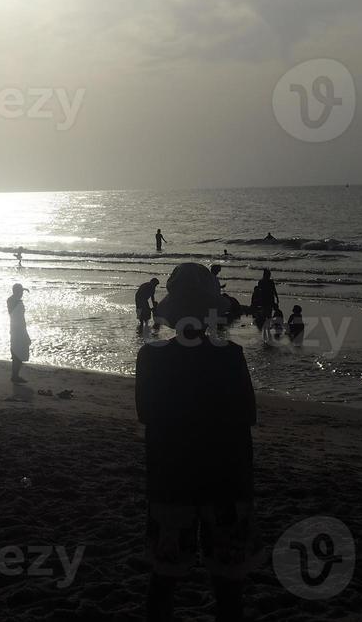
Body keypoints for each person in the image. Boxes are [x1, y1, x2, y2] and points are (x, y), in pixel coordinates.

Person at [136, 263, 255, 622]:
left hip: (172, 478)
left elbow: (146, 414)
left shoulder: (151, 357)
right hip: (225, 478)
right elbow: (246, 416)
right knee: (228, 583)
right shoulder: (230, 355)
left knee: (165, 577)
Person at [8, 283, 32, 383]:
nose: (22, 293)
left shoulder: (12, 301)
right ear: (17, 292)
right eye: (21, 292)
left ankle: (15, 376)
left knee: (16, 352)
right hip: (18, 329)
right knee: (18, 352)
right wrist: (25, 334)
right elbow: (21, 320)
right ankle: (15, 376)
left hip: (14, 328)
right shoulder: (15, 303)